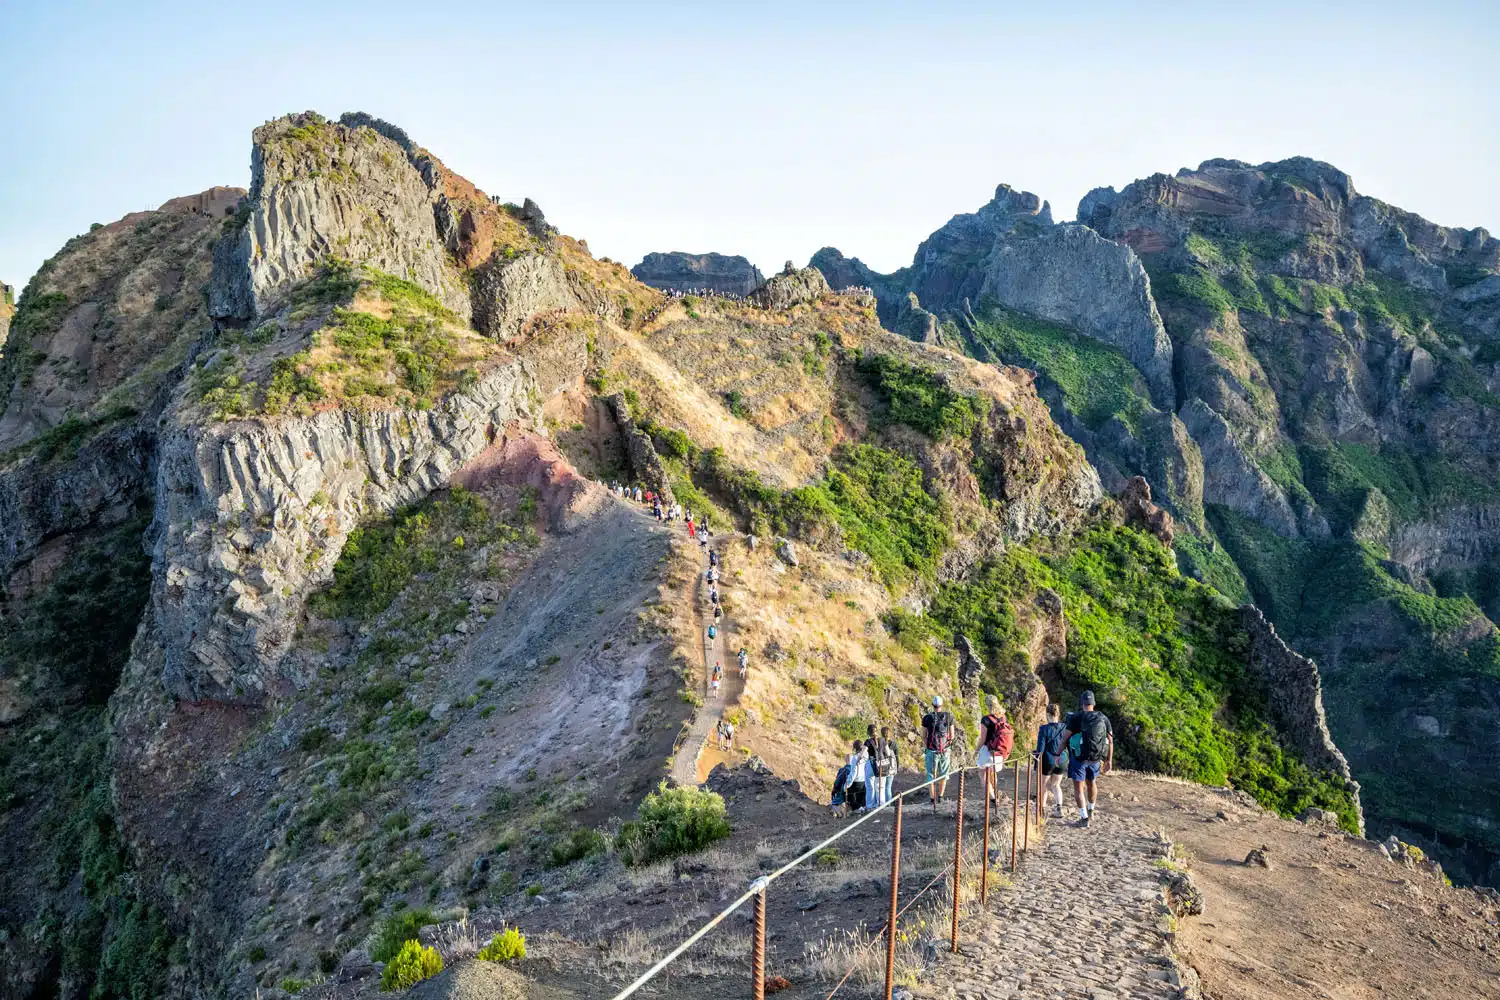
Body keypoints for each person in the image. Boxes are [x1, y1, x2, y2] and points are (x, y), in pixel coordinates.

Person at [1061, 691, 1114, 828]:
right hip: (1095, 759)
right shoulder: (1103, 718)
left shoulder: (1076, 718)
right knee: (1092, 783)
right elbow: (1110, 740)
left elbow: (1065, 738)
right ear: (1094, 703)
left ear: (1082, 703)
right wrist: (1109, 761)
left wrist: (1057, 754)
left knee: (1078, 789)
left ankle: (1084, 819)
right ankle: (1091, 810)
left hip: (1079, 760)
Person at [976, 696, 1014, 808]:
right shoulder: (1003, 717)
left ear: (987, 705)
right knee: (993, 773)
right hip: (999, 753)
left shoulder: (986, 719)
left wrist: (976, 751)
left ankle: (992, 799)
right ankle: (995, 794)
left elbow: (983, 739)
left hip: (988, 752)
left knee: (983, 775)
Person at [921, 695, 956, 811]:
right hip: (945, 750)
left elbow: (923, 736)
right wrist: (946, 746)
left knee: (931, 774)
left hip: (931, 750)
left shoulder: (927, 718)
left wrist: (928, 747)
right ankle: (940, 797)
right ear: (942, 705)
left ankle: (932, 798)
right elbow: (952, 735)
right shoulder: (949, 716)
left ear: (933, 705)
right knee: (944, 773)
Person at [1034, 703, 1068, 818]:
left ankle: (1042, 811)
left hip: (1047, 760)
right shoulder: (1064, 727)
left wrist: (1035, 755)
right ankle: (1059, 809)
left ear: (1047, 714)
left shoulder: (1044, 728)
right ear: (1058, 714)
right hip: (1062, 760)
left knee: (1043, 785)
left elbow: (1040, 748)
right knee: (1056, 785)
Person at [844, 739, 870, 815]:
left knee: (849, 793)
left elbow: (854, 772)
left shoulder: (855, 758)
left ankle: (857, 808)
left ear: (855, 748)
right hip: (864, 780)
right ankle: (862, 807)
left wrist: (848, 784)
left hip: (856, 781)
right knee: (861, 795)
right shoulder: (866, 756)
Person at [874, 726, 898, 806]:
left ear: (881, 733)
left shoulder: (879, 742)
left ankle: (882, 805)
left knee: (882, 788)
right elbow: (897, 757)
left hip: (882, 767)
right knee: (888, 788)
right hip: (891, 768)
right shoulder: (894, 744)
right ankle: (889, 805)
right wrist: (896, 768)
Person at [863, 725, 882, 808]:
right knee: (879, 786)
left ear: (868, 732)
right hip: (880, 764)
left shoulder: (868, 741)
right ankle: (880, 804)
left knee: (870, 787)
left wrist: (858, 760)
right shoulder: (881, 740)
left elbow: (863, 752)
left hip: (871, 764)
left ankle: (870, 805)